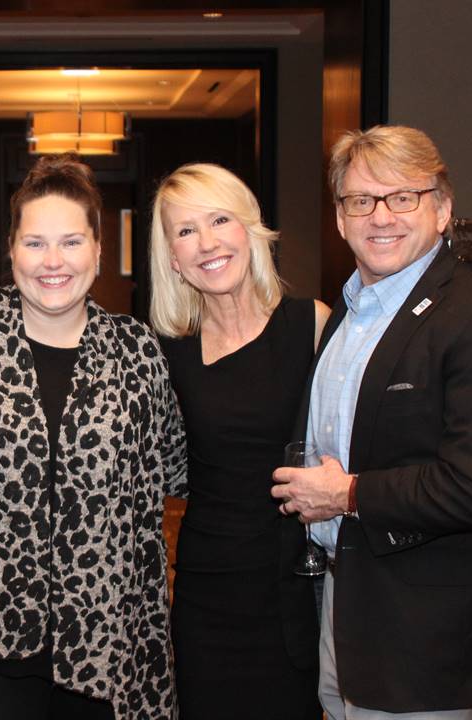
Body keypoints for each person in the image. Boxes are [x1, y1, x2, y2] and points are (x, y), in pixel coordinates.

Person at [272, 125, 472, 719]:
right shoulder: (346, 314)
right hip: (341, 603)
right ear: (340, 219)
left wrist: (346, 494)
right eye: (361, 200)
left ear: (442, 210)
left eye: (402, 197)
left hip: (422, 631)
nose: (381, 216)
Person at [0, 153, 187, 720]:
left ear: (98, 249)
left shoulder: (137, 352)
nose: (52, 261)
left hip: (108, 650)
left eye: (71, 242)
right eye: (35, 242)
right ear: (11, 248)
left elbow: (171, 473)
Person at [148, 162, 327, 720]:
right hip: (207, 586)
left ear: (250, 229)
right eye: (186, 230)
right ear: (172, 258)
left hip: (294, 582)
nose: (207, 242)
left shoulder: (312, 325)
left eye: (220, 219)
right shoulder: (166, 351)